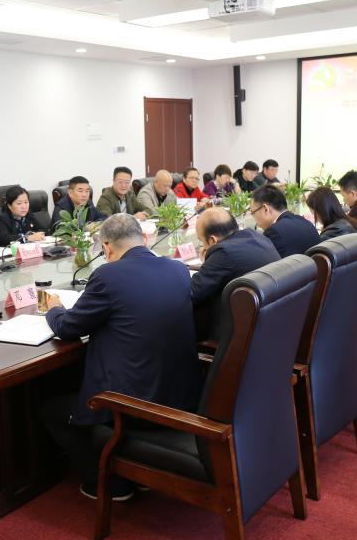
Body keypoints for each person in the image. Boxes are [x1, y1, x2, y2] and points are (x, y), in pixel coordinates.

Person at [41, 214, 202, 501]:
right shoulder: (177, 269)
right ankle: (139, 470)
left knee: (50, 409)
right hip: (180, 395)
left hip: (134, 404)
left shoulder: (107, 276)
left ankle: (110, 484)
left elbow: (67, 328)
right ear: (145, 238)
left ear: (106, 247)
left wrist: (54, 308)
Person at [190, 207, 279, 338]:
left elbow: (192, 293)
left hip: (242, 336)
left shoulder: (223, 253)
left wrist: (209, 261)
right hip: (273, 326)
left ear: (213, 240)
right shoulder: (258, 237)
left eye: (201, 241)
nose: (202, 246)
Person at [251, 184, 320, 258]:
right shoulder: (306, 223)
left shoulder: (273, 232)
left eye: (253, 212)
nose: (253, 217)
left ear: (265, 209)